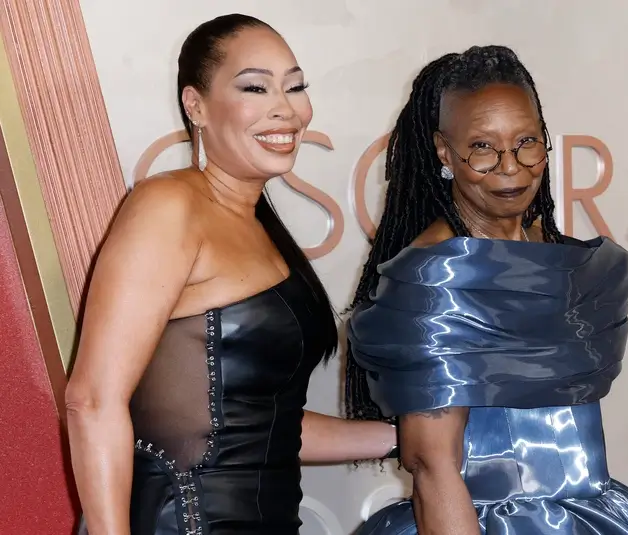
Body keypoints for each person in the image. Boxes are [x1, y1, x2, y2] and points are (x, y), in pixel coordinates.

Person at [65, 14, 396, 535]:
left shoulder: (262, 227)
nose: (285, 108)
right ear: (196, 105)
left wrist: (407, 436)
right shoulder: (168, 205)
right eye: (255, 88)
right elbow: (92, 401)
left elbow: (265, 426)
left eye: (295, 86)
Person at [345, 45, 628, 535]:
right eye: (483, 147)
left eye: (526, 141)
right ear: (444, 152)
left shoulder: (569, 259)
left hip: (593, 517)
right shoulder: (434, 283)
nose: (511, 167)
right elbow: (433, 467)